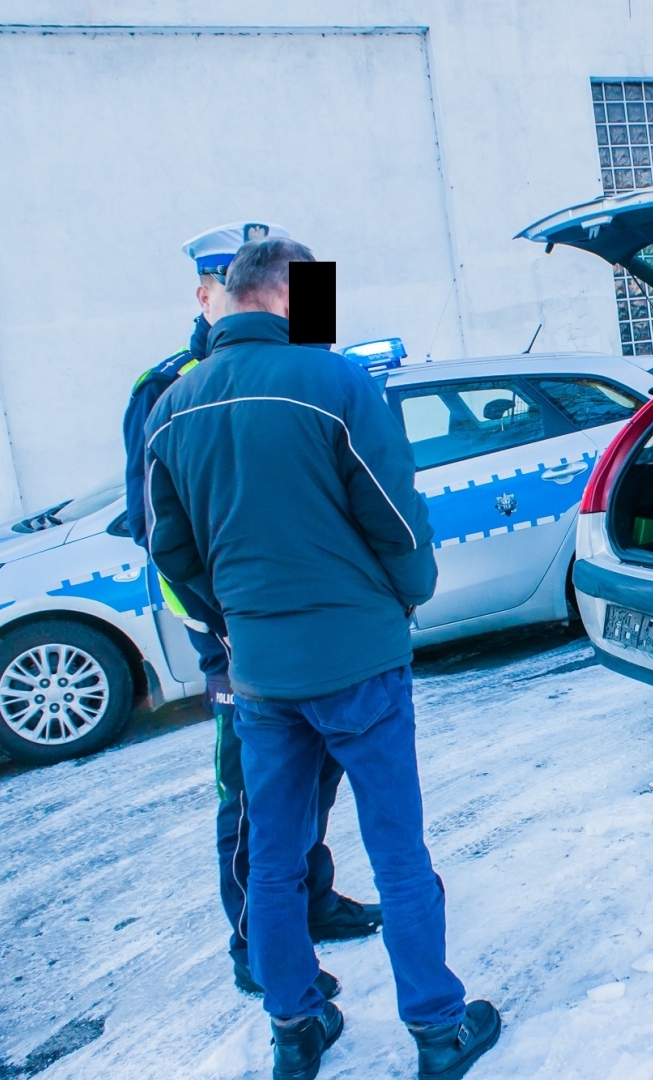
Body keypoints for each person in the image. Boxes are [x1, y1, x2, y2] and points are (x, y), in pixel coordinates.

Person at [144, 237, 498, 1080]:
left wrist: (234, 623)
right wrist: (406, 595)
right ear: (286, 297)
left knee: (273, 857)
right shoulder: (337, 383)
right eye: (318, 300)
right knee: (397, 849)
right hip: (358, 659)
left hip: (261, 673)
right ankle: (438, 1030)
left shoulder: (174, 406)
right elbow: (395, 516)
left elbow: (170, 548)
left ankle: (295, 1026)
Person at [120, 222, 382, 999]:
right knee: (253, 793)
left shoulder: (314, 362)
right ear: (208, 295)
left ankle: (312, 899)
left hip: (321, 623)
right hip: (236, 633)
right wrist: (226, 623)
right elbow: (156, 526)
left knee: (320, 772)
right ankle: (255, 948)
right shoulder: (166, 388)